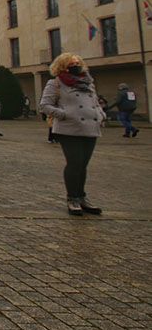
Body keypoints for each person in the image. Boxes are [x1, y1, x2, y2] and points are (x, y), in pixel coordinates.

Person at [40, 52, 106, 216]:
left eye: (78, 63)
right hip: (69, 129)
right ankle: (72, 198)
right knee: (74, 163)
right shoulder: (55, 83)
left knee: (83, 164)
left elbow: (95, 102)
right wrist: (64, 114)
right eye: (71, 64)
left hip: (90, 128)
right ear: (63, 67)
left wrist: (100, 115)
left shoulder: (88, 83)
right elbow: (45, 105)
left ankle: (82, 197)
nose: (76, 66)